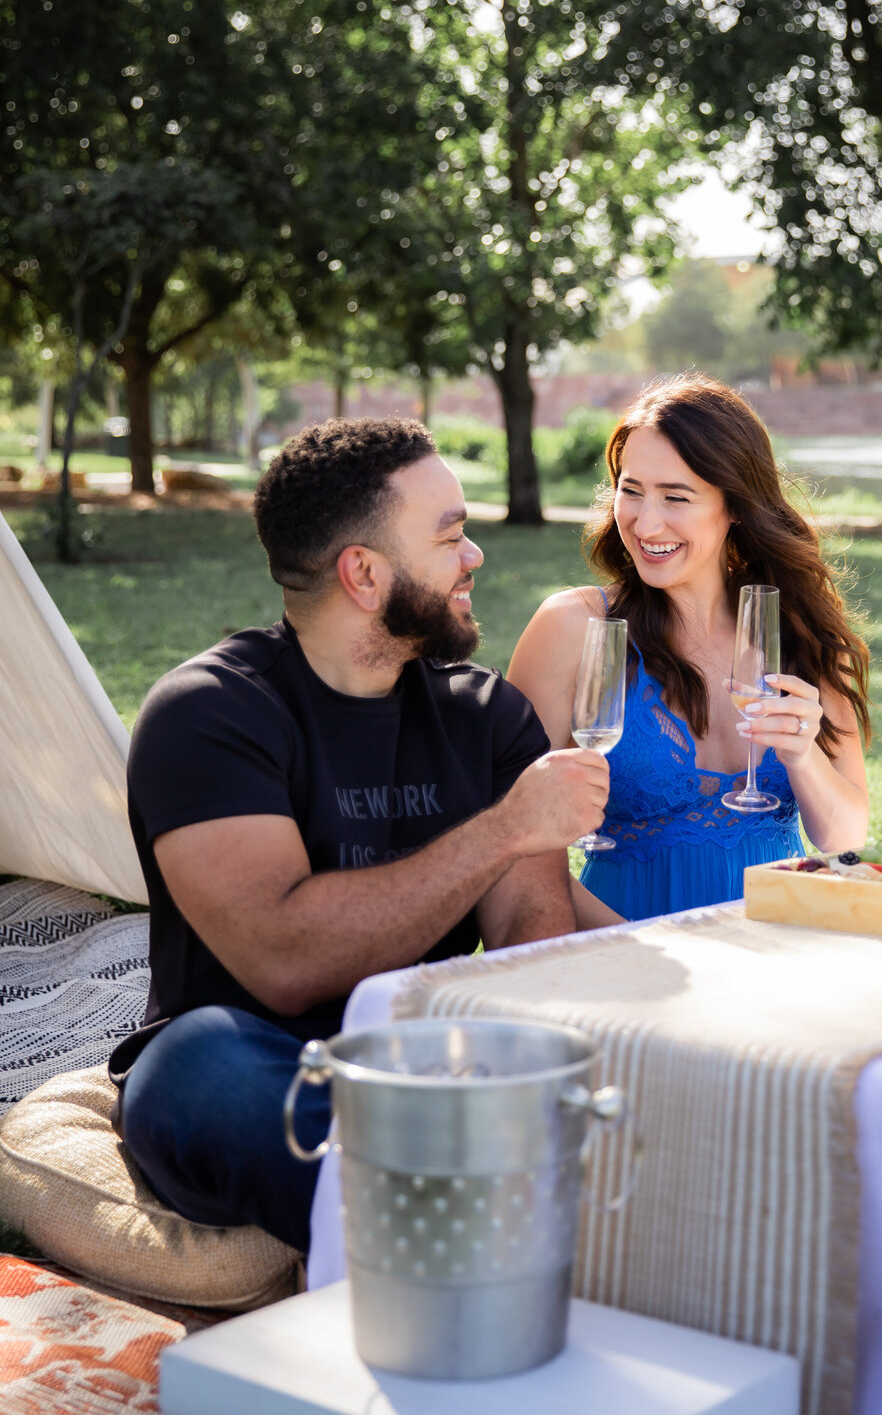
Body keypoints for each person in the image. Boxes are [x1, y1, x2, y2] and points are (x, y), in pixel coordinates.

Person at [109, 417, 607, 1253]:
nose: (474, 556)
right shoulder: (206, 715)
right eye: (451, 536)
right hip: (255, 1059)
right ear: (365, 573)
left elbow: (530, 943)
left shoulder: (488, 717)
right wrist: (505, 830)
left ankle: (466, 1196)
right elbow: (286, 961)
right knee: (195, 1066)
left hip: (425, 1063)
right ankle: (462, 1226)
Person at [507, 374, 870, 921]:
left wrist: (802, 754)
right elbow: (520, 848)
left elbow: (844, 838)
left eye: (676, 497)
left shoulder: (800, 633)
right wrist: (641, 952)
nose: (645, 522)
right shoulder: (573, 626)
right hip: (628, 955)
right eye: (631, 491)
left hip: (779, 943)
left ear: (736, 507)